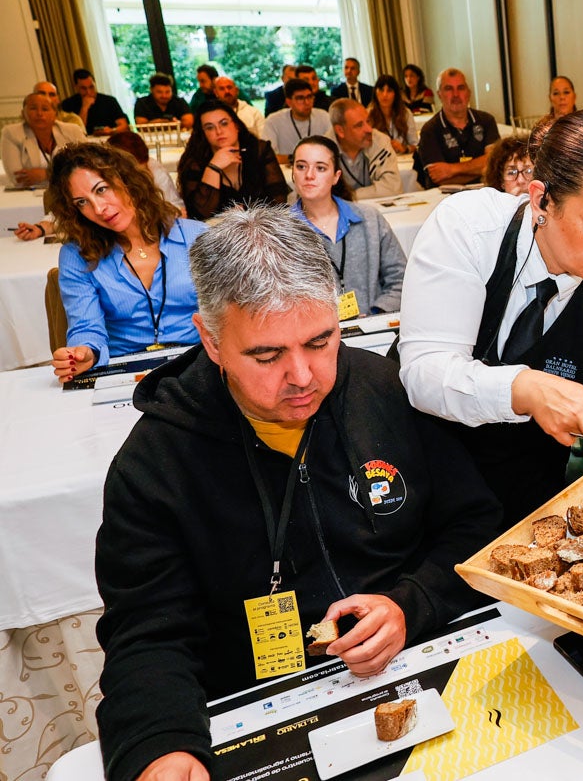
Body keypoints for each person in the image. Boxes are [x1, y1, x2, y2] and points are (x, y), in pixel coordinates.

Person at [93, 205, 502, 781]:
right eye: (267, 355)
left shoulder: (388, 390)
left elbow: (475, 527)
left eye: (320, 340)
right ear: (210, 341)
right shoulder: (155, 464)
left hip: (424, 665)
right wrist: (161, 745)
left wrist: (411, 603)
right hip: (265, 703)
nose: (303, 376)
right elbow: (147, 633)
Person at [399, 108, 583, 526]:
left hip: (523, 503)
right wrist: (524, 387)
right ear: (542, 200)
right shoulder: (470, 228)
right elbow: (424, 374)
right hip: (418, 480)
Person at [46, 142, 206, 382]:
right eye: (82, 202)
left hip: (198, 366)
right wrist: (84, 353)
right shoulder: (77, 255)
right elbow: (86, 327)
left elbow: (230, 316)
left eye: (101, 189)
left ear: (128, 181)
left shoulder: (196, 237)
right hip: (125, 371)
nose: (98, 208)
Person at [291, 135, 407, 315]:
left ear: (336, 177)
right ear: (292, 173)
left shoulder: (370, 219)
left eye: (320, 168)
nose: (309, 175)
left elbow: (401, 278)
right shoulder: (279, 232)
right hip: (311, 338)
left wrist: (375, 314)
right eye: (301, 166)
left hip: (374, 329)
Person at [178, 100, 288, 220]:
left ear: (236, 125)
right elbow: (199, 215)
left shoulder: (259, 150)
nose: (218, 131)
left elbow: (279, 199)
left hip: (263, 227)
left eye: (224, 123)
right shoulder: (195, 162)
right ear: (203, 133)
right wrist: (213, 167)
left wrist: (245, 213)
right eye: (209, 127)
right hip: (214, 234)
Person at [413, 68, 500, 189]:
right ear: (439, 94)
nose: (455, 95)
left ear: (468, 93)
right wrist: (481, 169)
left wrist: (451, 169)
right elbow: (439, 178)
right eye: (448, 89)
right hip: (444, 198)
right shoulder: (430, 130)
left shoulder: (486, 121)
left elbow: (495, 164)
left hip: (484, 193)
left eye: (461, 88)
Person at [3, 92, 85, 188]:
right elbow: (17, 178)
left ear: (55, 114)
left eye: (45, 109)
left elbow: (86, 165)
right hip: (29, 195)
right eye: (33, 108)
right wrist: (64, 174)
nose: (39, 114)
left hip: (71, 189)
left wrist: (46, 174)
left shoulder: (72, 131)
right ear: (23, 114)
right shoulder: (11, 133)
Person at [330, 98, 401, 199]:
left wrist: (350, 196)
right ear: (340, 131)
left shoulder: (379, 140)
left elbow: (392, 188)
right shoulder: (323, 150)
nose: (369, 129)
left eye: (368, 121)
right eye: (359, 125)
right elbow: (321, 196)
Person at [107, 130, 182, 212]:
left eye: (143, 170)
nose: (138, 177)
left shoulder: (156, 171)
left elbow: (175, 206)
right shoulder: (107, 177)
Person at [263, 78, 333, 163]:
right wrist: (297, 159)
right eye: (300, 98)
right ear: (289, 102)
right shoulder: (273, 121)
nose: (307, 102)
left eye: (309, 97)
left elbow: (333, 150)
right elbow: (269, 156)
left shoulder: (323, 116)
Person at [61, 68, 129, 136]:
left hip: (110, 139)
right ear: (76, 88)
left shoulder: (109, 100)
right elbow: (75, 132)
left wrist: (111, 131)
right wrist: (84, 108)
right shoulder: (68, 104)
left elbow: (124, 125)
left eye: (91, 87)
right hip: (84, 143)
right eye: (84, 88)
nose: (89, 92)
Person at [367, 74, 419, 154]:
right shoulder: (368, 115)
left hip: (402, 160)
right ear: (375, 92)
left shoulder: (405, 113)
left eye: (389, 90)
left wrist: (404, 148)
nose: (385, 95)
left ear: (396, 94)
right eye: (381, 90)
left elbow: (415, 145)